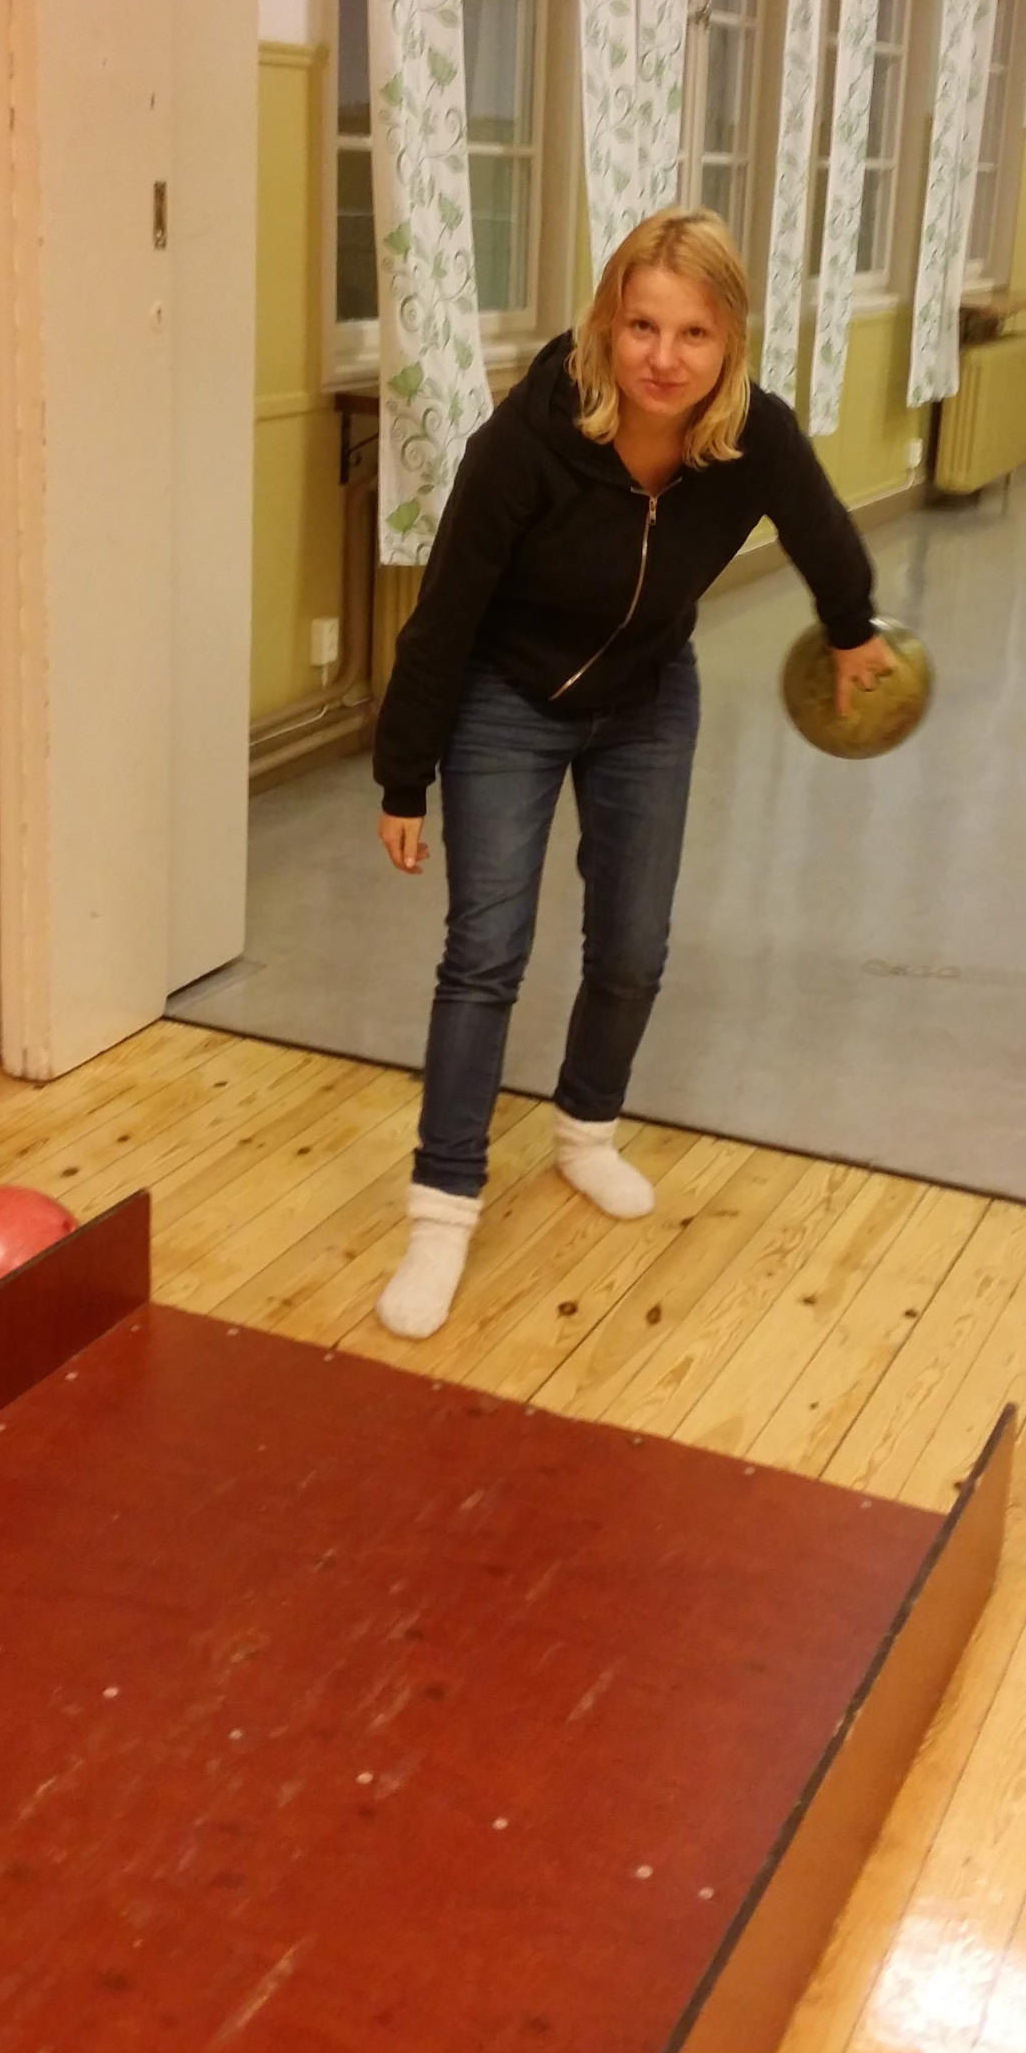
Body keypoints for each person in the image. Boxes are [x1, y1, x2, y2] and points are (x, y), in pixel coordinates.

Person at [371, 205, 892, 1339]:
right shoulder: (524, 443)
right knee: (484, 956)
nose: (664, 358)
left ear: (730, 339)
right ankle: (442, 1208)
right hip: (507, 701)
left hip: (648, 701)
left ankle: (586, 1131)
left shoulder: (753, 436)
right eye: (642, 326)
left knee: (634, 947)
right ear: (607, 324)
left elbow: (821, 530)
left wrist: (853, 628)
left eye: (693, 333)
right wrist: (404, 775)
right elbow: (444, 613)